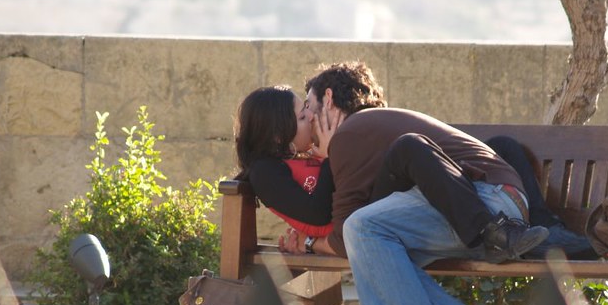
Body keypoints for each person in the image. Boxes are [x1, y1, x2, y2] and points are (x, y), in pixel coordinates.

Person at [295, 61, 542, 305]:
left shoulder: (353, 131)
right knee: (380, 253)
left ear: (328, 99)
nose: (307, 119)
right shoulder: (370, 130)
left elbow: (346, 234)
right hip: (493, 207)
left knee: (362, 231)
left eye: (308, 106)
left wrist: (308, 243)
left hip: (489, 204)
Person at [235, 85, 549, 263]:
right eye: (303, 116)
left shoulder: (302, 156)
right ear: (279, 135)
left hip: (363, 214)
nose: (313, 120)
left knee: (498, 146)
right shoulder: (265, 172)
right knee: (409, 149)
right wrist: (332, 156)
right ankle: (494, 232)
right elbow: (318, 214)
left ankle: (527, 230)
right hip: (357, 224)